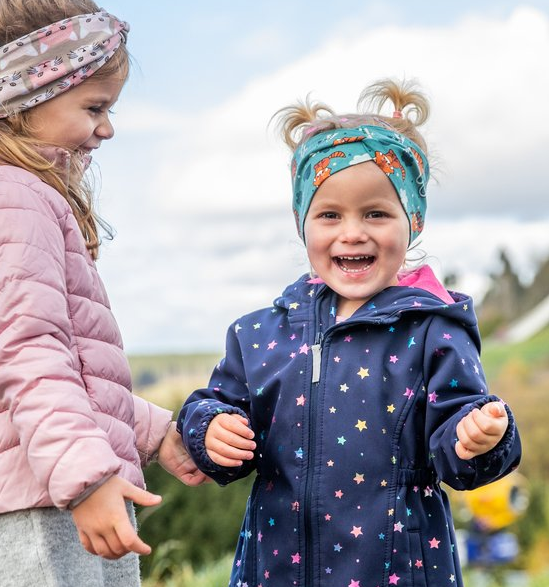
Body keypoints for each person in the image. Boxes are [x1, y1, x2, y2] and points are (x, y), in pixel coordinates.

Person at [0, 0, 205, 587]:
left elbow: (65, 362)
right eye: (94, 108)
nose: (107, 129)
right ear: (23, 100)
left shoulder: (8, 194)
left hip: (44, 488)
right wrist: (89, 480)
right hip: (29, 508)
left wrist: (154, 434)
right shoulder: (5, 200)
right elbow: (29, 354)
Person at [178, 79, 523, 587]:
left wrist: (479, 437)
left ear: (414, 220)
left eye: (376, 214)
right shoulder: (259, 335)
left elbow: (459, 450)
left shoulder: (433, 329)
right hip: (276, 573)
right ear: (303, 223)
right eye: (330, 214)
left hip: (397, 571)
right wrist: (208, 429)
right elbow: (213, 407)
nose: (352, 232)